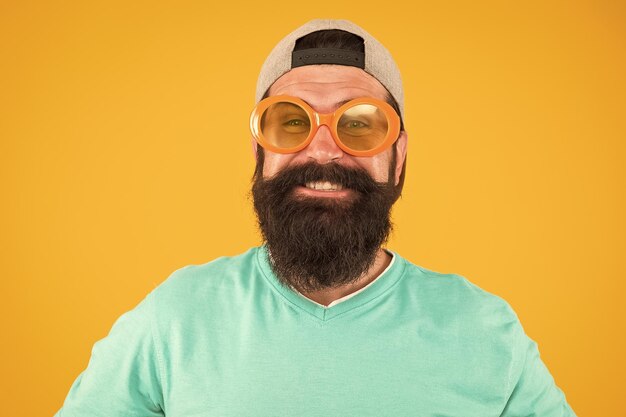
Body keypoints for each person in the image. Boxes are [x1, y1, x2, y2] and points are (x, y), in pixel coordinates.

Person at [55, 19, 576, 416]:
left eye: (360, 123)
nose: (323, 150)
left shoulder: (484, 330)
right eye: (291, 122)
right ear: (259, 153)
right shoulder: (174, 318)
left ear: (400, 157)